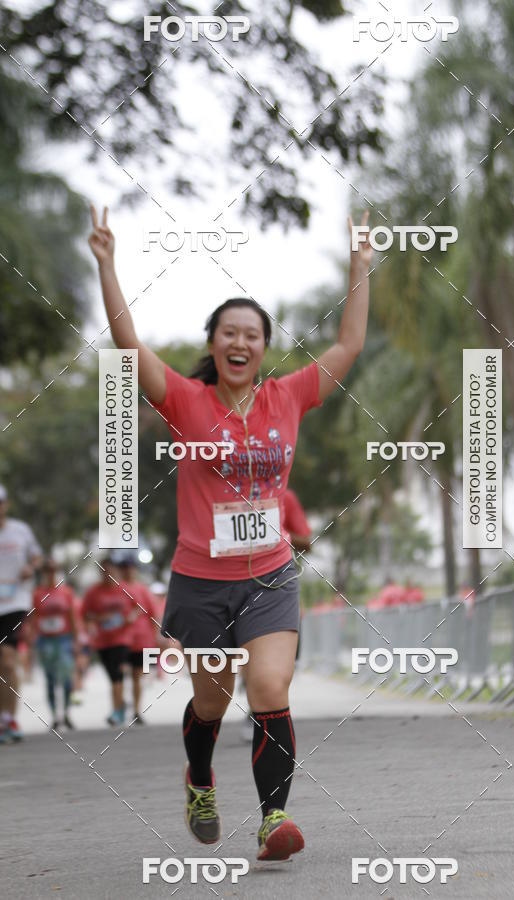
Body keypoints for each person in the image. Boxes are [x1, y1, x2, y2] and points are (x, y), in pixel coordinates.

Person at [88, 203, 371, 860]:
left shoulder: (289, 397)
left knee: (270, 688)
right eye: (229, 333)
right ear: (214, 343)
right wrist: (108, 265)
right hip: (200, 580)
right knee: (211, 705)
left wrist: (360, 266)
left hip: (269, 575)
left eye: (253, 334)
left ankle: (274, 821)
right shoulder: (186, 400)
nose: (241, 343)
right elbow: (128, 348)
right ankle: (200, 777)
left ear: (264, 349)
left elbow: (349, 345)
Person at [239, 488, 312, 742]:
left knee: (269, 663)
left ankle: (260, 712)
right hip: (227, 585)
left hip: (272, 586)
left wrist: (275, 534)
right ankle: (255, 704)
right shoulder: (221, 490)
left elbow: (306, 541)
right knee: (244, 658)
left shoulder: (284, 496)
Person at [0, 483, 43, 743]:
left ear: (6, 504)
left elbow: (37, 557)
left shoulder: (20, 530)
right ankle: (2, 717)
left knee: (7, 659)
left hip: (15, 602)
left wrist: (31, 567)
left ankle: (11, 718)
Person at [81, 557, 137, 725]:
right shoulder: (93, 592)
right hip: (103, 640)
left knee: (116, 673)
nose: (107, 574)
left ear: (116, 571)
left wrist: (130, 618)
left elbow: (138, 608)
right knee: (113, 676)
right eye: (103, 571)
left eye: (110, 570)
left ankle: (116, 712)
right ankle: (120, 705)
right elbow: (85, 614)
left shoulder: (125, 589)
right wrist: (98, 618)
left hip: (122, 638)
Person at [32, 559, 79, 731]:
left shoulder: (66, 592)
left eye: (53, 570)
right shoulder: (37, 593)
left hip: (63, 638)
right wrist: (32, 641)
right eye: (47, 570)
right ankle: (54, 716)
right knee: (50, 678)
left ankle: (66, 713)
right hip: (46, 639)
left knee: (66, 678)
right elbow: (33, 618)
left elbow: (72, 616)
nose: (50, 574)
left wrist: (76, 639)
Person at [115, 554, 161, 725]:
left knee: (136, 675)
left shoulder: (142, 589)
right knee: (118, 675)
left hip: (140, 639)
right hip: (119, 638)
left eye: (130, 567)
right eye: (124, 568)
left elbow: (153, 614)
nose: (128, 571)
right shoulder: (116, 588)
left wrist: (156, 635)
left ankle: (136, 709)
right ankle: (118, 708)